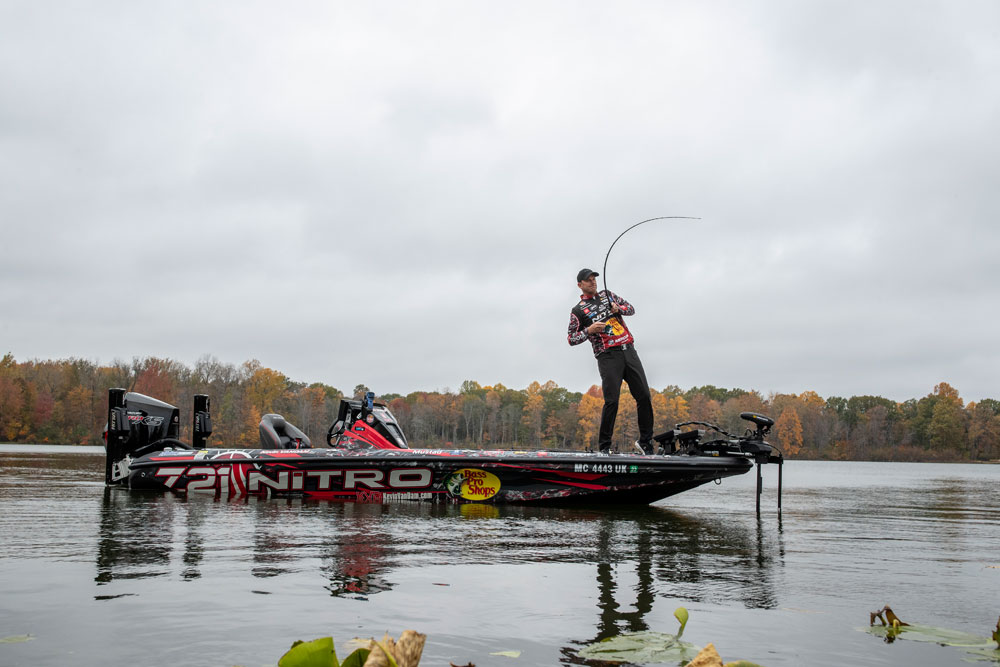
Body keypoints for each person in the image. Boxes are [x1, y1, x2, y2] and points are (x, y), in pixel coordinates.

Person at [567, 268, 654, 455]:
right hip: (607, 356)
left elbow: (631, 309)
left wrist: (618, 309)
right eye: (588, 280)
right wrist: (589, 330)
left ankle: (646, 442)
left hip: (628, 350)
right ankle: (604, 447)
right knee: (612, 401)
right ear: (580, 285)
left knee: (644, 396)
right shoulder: (577, 310)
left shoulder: (608, 295)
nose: (593, 282)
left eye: (594, 279)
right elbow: (571, 339)